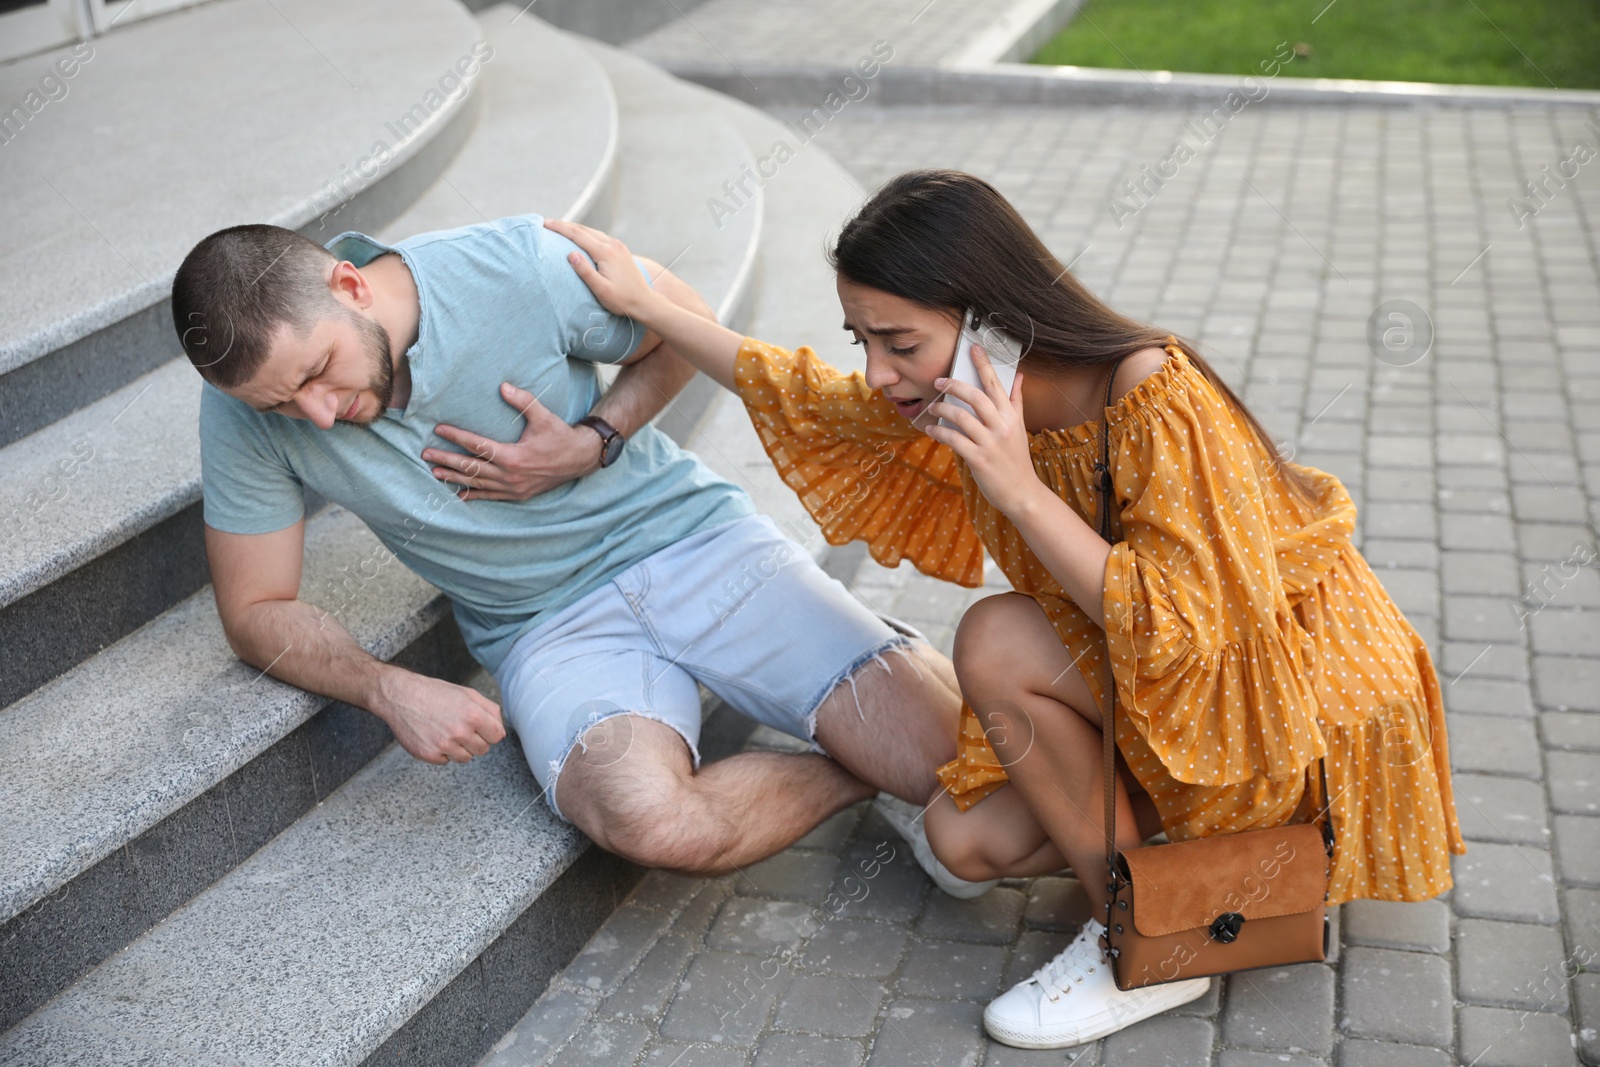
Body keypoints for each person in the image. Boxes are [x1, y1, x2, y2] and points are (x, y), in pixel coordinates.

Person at [543, 168, 1467, 1050]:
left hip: (1280, 704)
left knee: (996, 635)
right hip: (1172, 692)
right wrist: (653, 306)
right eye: (861, 338)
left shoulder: (1153, 395)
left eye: (897, 342)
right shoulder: (961, 396)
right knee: (961, 839)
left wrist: (1019, 488)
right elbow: (806, 395)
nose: (874, 372)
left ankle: (1151, 945)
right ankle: (1169, 865)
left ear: (993, 321)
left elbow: (1185, 633)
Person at [171, 215, 985, 891]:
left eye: (320, 371)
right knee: (653, 820)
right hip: (547, 631)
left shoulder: (511, 264)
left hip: (690, 540)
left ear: (350, 286)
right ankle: (862, 756)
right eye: (283, 403)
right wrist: (386, 687)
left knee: (967, 767)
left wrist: (598, 438)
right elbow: (254, 609)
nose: (316, 414)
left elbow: (686, 327)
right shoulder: (245, 413)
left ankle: (879, 704)